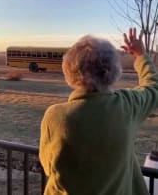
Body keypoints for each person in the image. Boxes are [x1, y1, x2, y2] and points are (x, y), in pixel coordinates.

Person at [39, 28, 158, 195]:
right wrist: (140, 55)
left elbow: (48, 166)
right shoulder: (127, 105)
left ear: (69, 70)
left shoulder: (55, 116)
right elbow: (154, 88)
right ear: (113, 71)